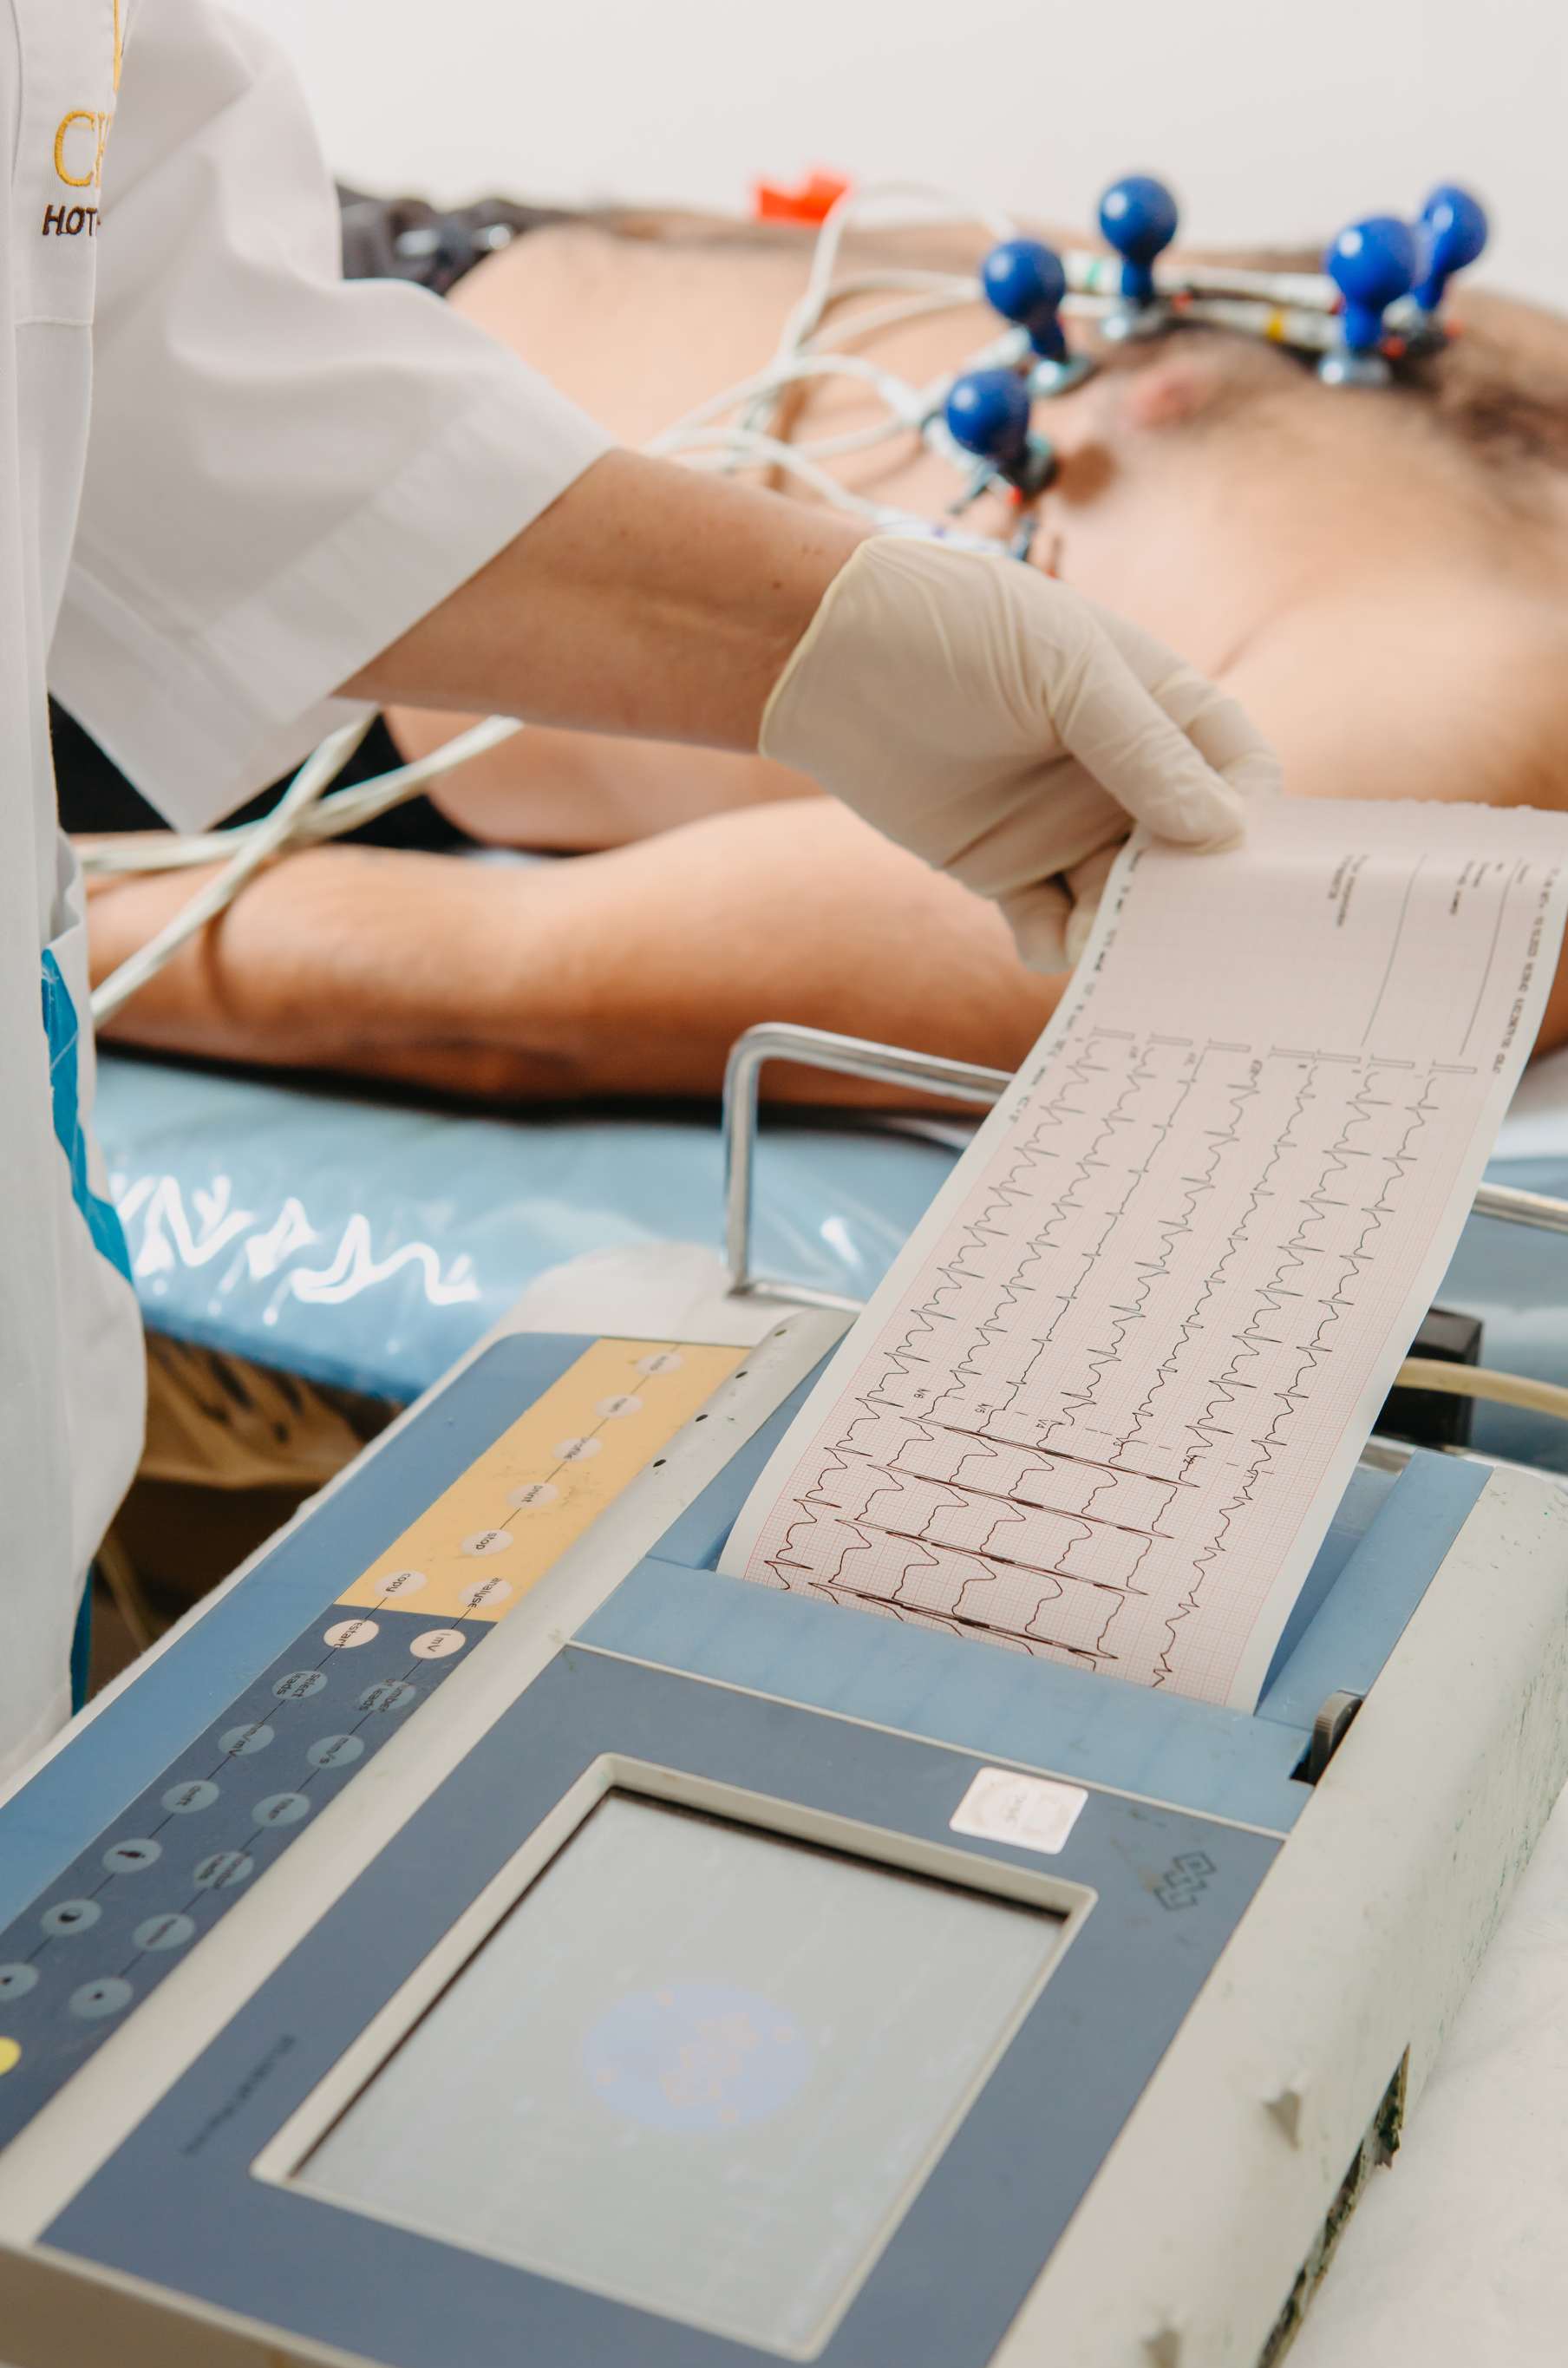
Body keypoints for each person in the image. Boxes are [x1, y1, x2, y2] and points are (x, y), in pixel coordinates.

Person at [0, 20, 1266, 1775]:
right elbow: (499, 994)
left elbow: (164, 374)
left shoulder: (1494, 669)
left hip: (338, 523)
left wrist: (825, 632)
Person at [79, 193, 1568, 1105]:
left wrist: (45, 927)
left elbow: (508, 992)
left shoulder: (1510, 780)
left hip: (229, 635)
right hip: (276, 249)